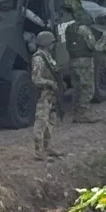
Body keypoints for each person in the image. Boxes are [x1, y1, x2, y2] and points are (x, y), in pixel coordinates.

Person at [31, 32, 62, 161]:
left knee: (51, 120)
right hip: (44, 93)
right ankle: (38, 151)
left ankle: (47, 147)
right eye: (51, 43)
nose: (53, 45)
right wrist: (50, 83)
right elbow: (35, 79)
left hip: (51, 94)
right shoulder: (39, 59)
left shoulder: (47, 56)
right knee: (41, 121)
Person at [65, 19, 100, 124]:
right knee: (87, 88)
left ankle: (76, 111)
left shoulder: (69, 29)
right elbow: (92, 45)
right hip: (84, 62)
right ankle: (82, 114)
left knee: (77, 87)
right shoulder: (84, 29)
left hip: (72, 61)